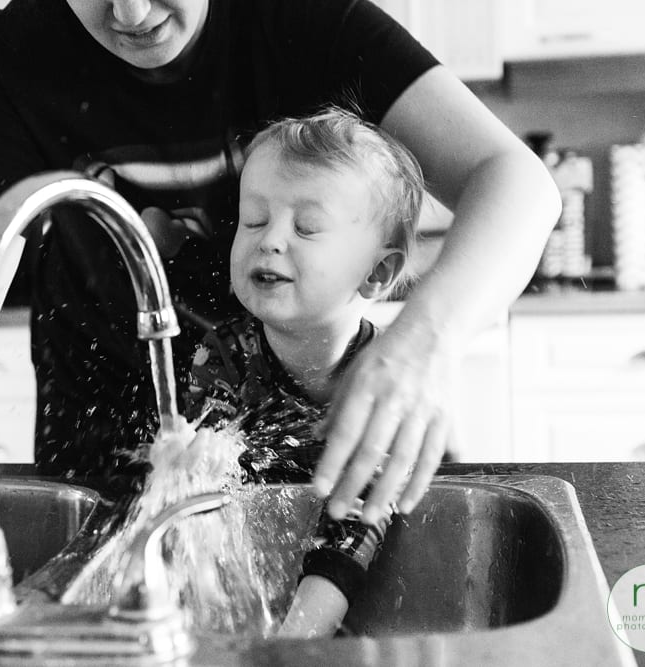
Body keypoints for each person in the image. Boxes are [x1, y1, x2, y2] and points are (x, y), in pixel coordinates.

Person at [0, 0, 561, 526]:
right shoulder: (29, 50)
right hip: (100, 481)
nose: (130, 13)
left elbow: (516, 182)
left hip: (307, 476)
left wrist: (426, 336)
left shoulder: (300, 17)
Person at [182, 108, 422, 637]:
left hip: (347, 611)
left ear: (378, 272)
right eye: (253, 219)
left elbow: (356, 522)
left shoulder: (384, 384)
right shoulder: (221, 358)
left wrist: (294, 644)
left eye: (307, 227)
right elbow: (200, 498)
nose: (269, 240)